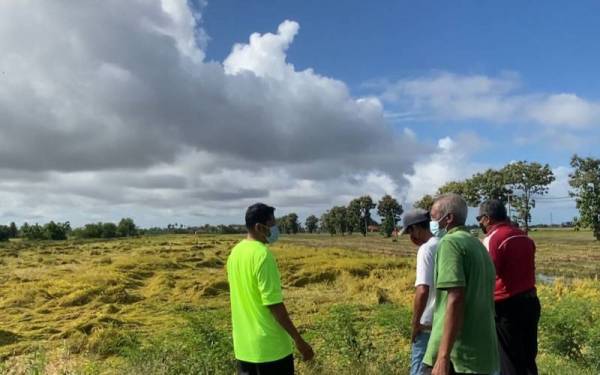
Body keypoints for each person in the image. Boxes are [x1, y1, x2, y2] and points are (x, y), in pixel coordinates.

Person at [227, 203, 314, 375]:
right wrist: (299, 341)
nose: (275, 229)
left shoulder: (235, 253)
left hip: (244, 349)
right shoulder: (263, 255)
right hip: (271, 351)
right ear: (260, 227)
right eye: (273, 224)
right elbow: (275, 307)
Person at [423, 193, 499, 375]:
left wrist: (442, 357)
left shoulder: (450, 243)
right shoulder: (477, 245)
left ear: (448, 218)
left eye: (434, 217)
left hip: (458, 356)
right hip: (483, 353)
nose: (432, 223)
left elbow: (456, 299)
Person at [478, 200, 540, 375]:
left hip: (507, 308)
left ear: (487, 218)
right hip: (531, 302)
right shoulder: (523, 236)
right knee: (528, 358)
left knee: (509, 361)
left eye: (479, 219)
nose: (480, 224)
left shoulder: (493, 238)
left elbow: (488, 274)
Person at [400, 209, 439, 375]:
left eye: (410, 231)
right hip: (445, 319)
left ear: (416, 228)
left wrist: (416, 324)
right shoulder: (445, 243)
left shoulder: (426, 249)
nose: (411, 237)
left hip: (427, 323)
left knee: (420, 369)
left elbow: (422, 290)